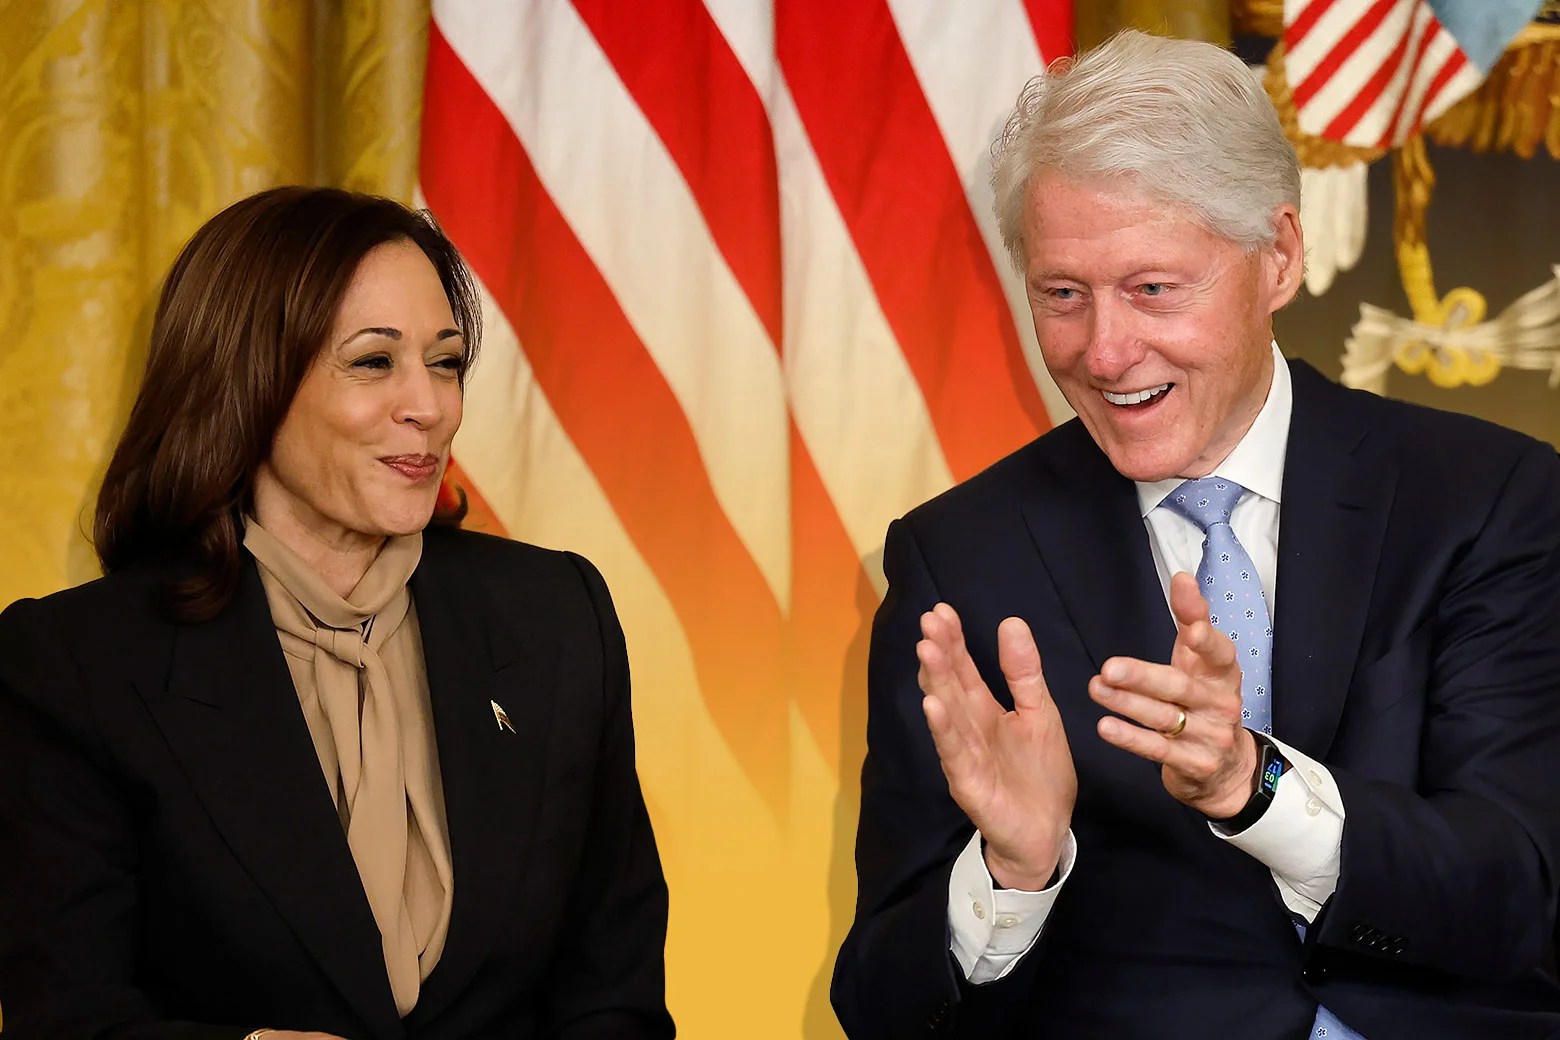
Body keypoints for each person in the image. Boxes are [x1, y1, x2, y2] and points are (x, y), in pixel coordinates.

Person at [831, 29, 1560, 1040]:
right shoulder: (960, 559)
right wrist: (1012, 872)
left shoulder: (1488, 498)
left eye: (1153, 289)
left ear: (1279, 257)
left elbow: (1524, 894)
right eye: (1063, 295)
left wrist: (1253, 787)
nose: (1105, 351)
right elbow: (882, 1005)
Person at [0, 186, 674, 1040]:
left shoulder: (558, 618)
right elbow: (65, 1018)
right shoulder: (75, 664)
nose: (429, 406)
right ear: (249, 380)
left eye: (445, 361)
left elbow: (614, 1001)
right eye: (373, 361)